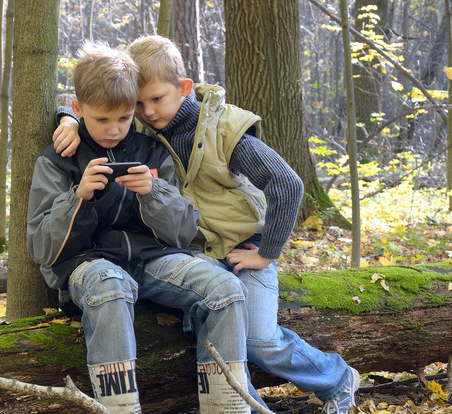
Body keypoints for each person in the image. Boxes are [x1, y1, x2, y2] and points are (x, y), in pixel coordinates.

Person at [52, 35, 360, 414]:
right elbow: (100, 100)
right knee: (210, 325)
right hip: (187, 253)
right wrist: (67, 119)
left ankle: (336, 377)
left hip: (240, 252)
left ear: (183, 89)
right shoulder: (145, 132)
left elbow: (287, 184)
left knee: (258, 339)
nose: (147, 112)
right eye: (139, 104)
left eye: (157, 99)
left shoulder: (224, 129)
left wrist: (267, 254)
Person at [27, 40, 251, 414]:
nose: (114, 130)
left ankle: (227, 408)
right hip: (86, 263)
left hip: (151, 258)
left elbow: (183, 234)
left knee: (226, 288)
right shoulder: (57, 160)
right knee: (111, 286)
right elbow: (42, 248)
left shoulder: (153, 151)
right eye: (101, 120)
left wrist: (154, 193)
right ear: (78, 110)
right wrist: (78, 196)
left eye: (125, 118)